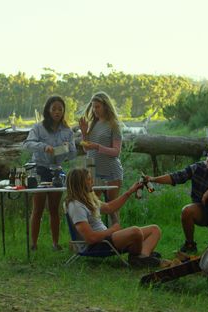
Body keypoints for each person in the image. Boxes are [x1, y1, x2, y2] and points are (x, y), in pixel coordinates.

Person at [144, 141, 208, 254]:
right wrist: (153, 179)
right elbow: (176, 177)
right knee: (187, 210)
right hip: (202, 210)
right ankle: (190, 244)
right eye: (207, 157)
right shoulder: (198, 168)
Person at [65, 168, 162, 267]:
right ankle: (140, 257)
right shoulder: (76, 206)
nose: (92, 182)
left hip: (107, 239)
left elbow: (109, 207)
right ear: (80, 183)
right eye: (89, 179)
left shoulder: (88, 199)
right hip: (96, 245)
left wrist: (129, 192)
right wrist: (112, 230)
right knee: (135, 232)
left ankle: (142, 257)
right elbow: (91, 238)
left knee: (154, 230)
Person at [23, 96, 77, 251]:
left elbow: (73, 154)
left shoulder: (67, 131)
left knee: (54, 208)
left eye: (60, 109)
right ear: (48, 110)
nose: (57, 112)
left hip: (57, 171)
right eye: (54, 109)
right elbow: (27, 144)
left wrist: (67, 149)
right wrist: (43, 146)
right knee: (37, 208)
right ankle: (33, 244)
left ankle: (55, 244)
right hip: (39, 170)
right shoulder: (38, 128)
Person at [79, 92, 124, 225]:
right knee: (92, 205)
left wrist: (98, 146)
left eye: (97, 107)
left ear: (105, 106)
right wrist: (84, 133)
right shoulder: (93, 124)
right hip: (93, 171)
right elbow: (86, 149)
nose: (94, 110)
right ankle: (97, 236)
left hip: (111, 172)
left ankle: (118, 238)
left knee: (112, 208)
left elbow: (116, 152)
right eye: (93, 107)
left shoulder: (114, 125)